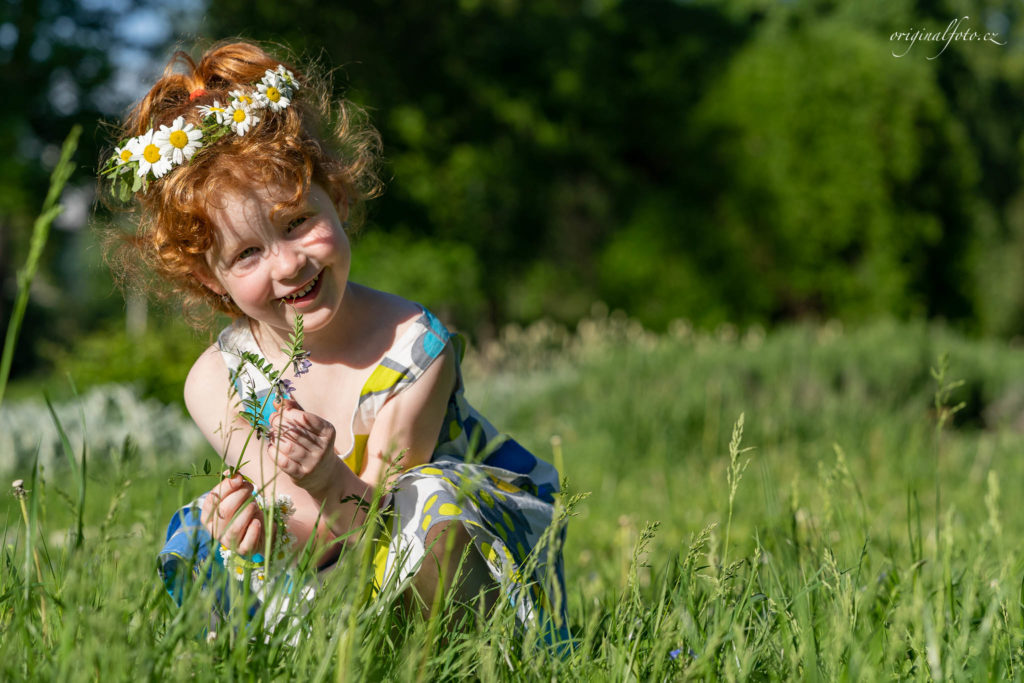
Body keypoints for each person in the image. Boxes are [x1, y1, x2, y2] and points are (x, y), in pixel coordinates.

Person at [102, 40, 568, 641]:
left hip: (451, 575)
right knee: (206, 529)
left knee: (425, 496)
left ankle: (468, 658)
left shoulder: (417, 348)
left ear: (338, 195)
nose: (289, 264)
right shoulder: (218, 381)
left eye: (297, 222)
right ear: (207, 278)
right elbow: (308, 530)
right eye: (246, 254)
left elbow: (375, 527)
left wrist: (326, 478)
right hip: (326, 569)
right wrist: (261, 532)